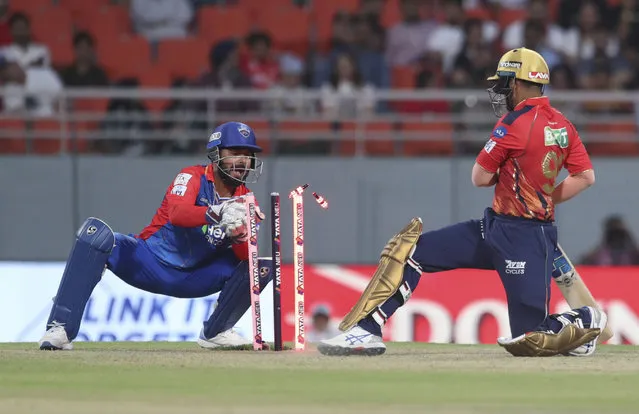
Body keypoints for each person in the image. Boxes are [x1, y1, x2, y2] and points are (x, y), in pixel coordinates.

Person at [318, 48, 607, 358]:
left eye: (505, 82)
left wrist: (526, 191)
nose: (501, 90)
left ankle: (584, 321)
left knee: (529, 339)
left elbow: (479, 178)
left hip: (520, 237)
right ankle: (367, 331)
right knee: (413, 251)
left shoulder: (514, 122)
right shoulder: (564, 124)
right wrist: (543, 197)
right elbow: (585, 176)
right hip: (509, 231)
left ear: (519, 83)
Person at [39, 122, 271, 351]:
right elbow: (178, 214)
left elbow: (244, 259)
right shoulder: (191, 176)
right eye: (235, 153)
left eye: (248, 155)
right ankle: (60, 328)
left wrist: (241, 234)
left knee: (261, 266)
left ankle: (217, 332)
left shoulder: (247, 201)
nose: (242, 160)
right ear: (216, 154)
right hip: (150, 262)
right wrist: (217, 212)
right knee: (95, 234)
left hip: (197, 276)